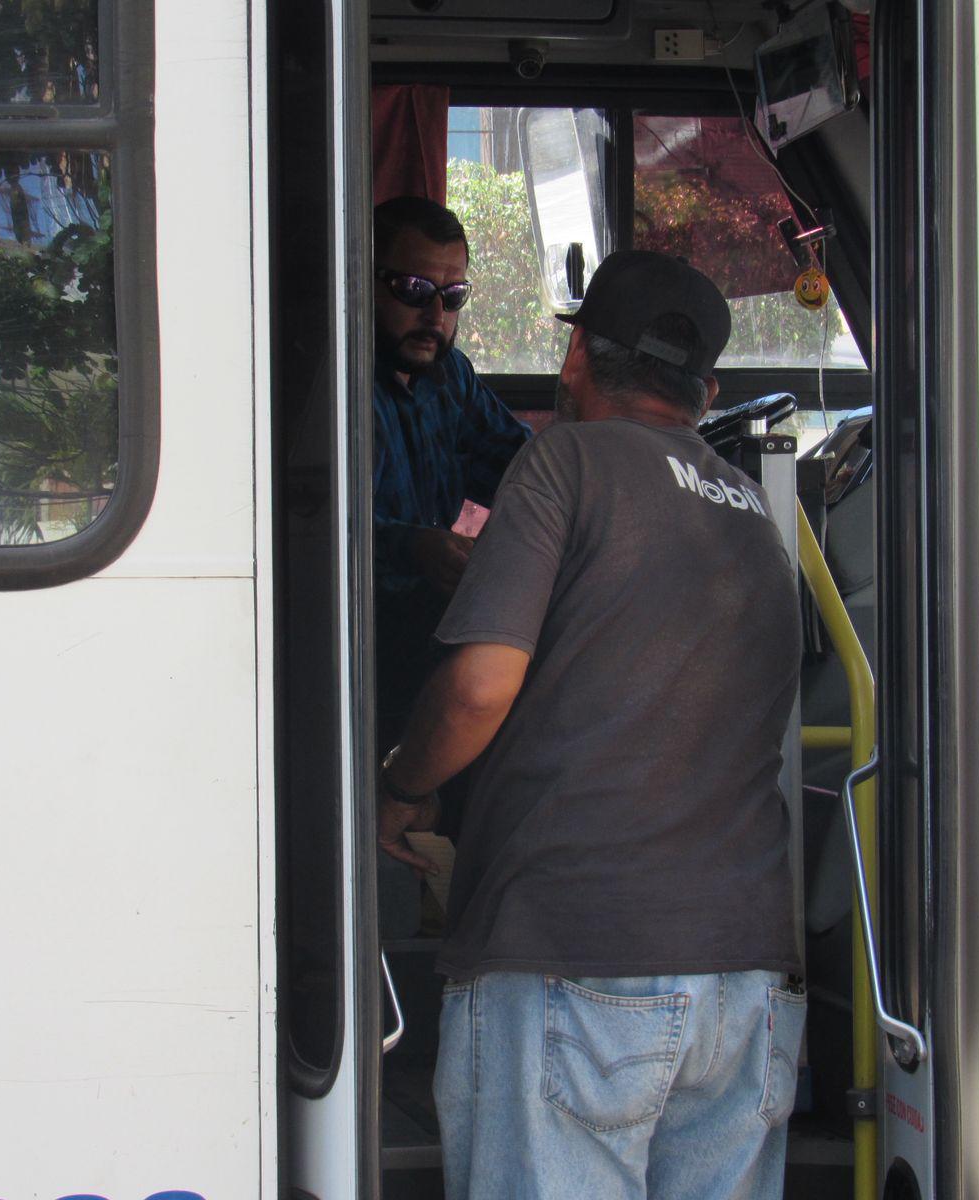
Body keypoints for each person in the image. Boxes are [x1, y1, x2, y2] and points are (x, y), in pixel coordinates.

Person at [376, 250, 806, 1199]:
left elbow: (481, 685)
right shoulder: (757, 519)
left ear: (575, 357)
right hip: (746, 987)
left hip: (577, 956)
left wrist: (401, 790)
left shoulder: (565, 461)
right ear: (708, 390)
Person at [371, 195, 530, 934]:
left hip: (429, 622)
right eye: (411, 292)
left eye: (453, 296)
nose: (434, 316)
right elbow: (305, 533)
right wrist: (416, 545)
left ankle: (481, 922)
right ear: (361, 281)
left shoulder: (450, 377)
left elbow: (524, 472)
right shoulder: (329, 386)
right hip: (353, 632)